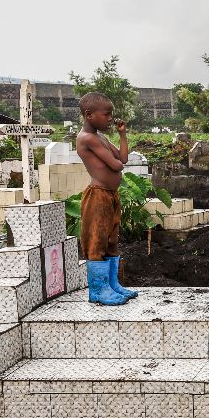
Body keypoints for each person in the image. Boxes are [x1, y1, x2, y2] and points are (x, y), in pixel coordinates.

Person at [76, 92, 137, 305]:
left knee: (112, 240)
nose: (111, 119)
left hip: (111, 195)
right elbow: (116, 165)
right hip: (97, 195)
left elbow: (123, 157)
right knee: (96, 241)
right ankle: (98, 290)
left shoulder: (101, 137)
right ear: (89, 115)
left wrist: (122, 135)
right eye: (107, 115)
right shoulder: (87, 138)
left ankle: (112, 285)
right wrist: (118, 162)